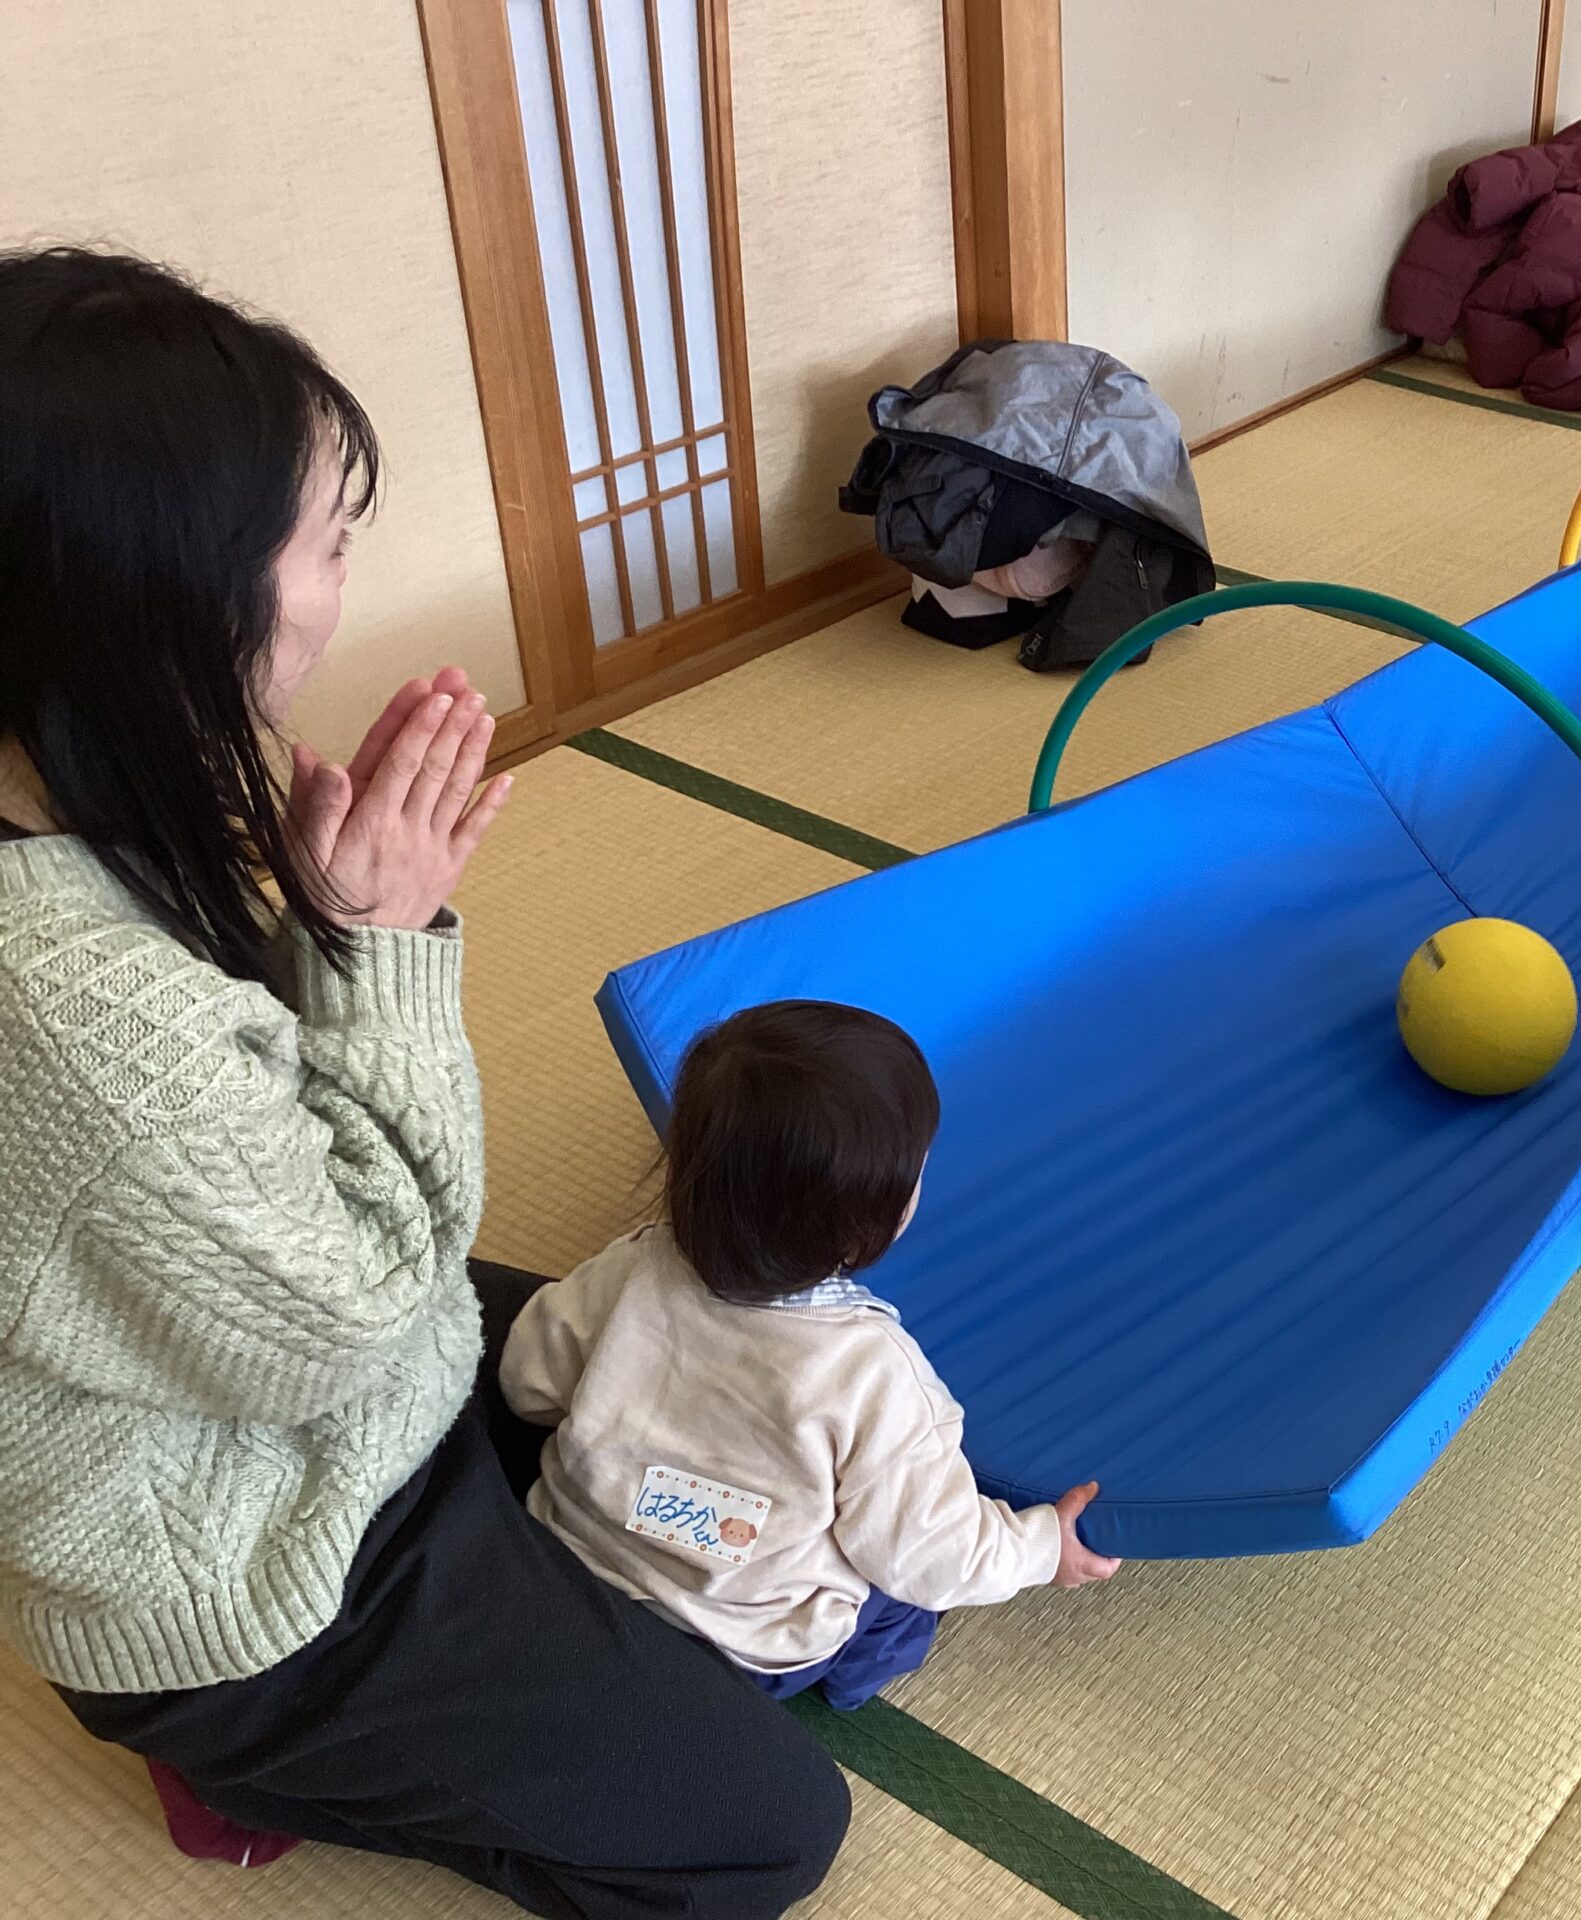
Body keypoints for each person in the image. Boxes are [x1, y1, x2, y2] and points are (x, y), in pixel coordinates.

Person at [0, 247, 853, 1918]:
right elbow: (357, 1301)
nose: (341, 584)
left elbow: (242, 1156)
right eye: (325, 542)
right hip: (243, 1564)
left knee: (702, 1344)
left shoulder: (63, 803)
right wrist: (375, 950)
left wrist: (314, 931)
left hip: (265, 1368)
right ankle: (244, 1762)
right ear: (161, 590)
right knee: (769, 1825)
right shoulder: (69, 1007)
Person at [500, 1001, 1120, 1713]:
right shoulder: (872, 1373)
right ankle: (856, 1677)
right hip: (745, 1643)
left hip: (570, 1560)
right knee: (898, 1588)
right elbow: (933, 1551)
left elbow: (527, 1381)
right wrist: (1043, 1548)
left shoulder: (635, 1269)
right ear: (867, 1228)